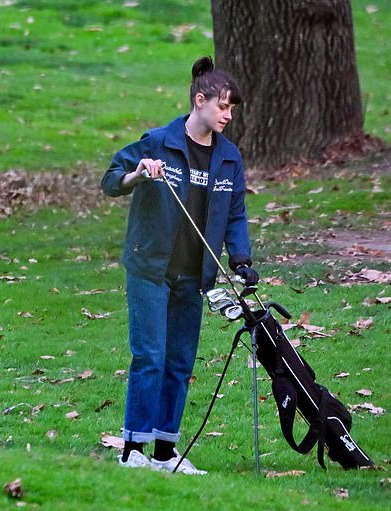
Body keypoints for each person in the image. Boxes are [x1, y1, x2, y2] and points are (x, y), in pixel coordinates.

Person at [101, 56, 258, 475]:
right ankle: (133, 448)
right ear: (200, 100)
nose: (228, 115)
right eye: (223, 107)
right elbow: (110, 179)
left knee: (180, 362)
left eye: (232, 110)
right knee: (149, 355)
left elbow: (236, 214)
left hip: (195, 276)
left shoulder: (229, 157)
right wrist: (138, 175)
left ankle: (165, 454)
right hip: (150, 268)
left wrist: (241, 259)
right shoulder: (158, 142)